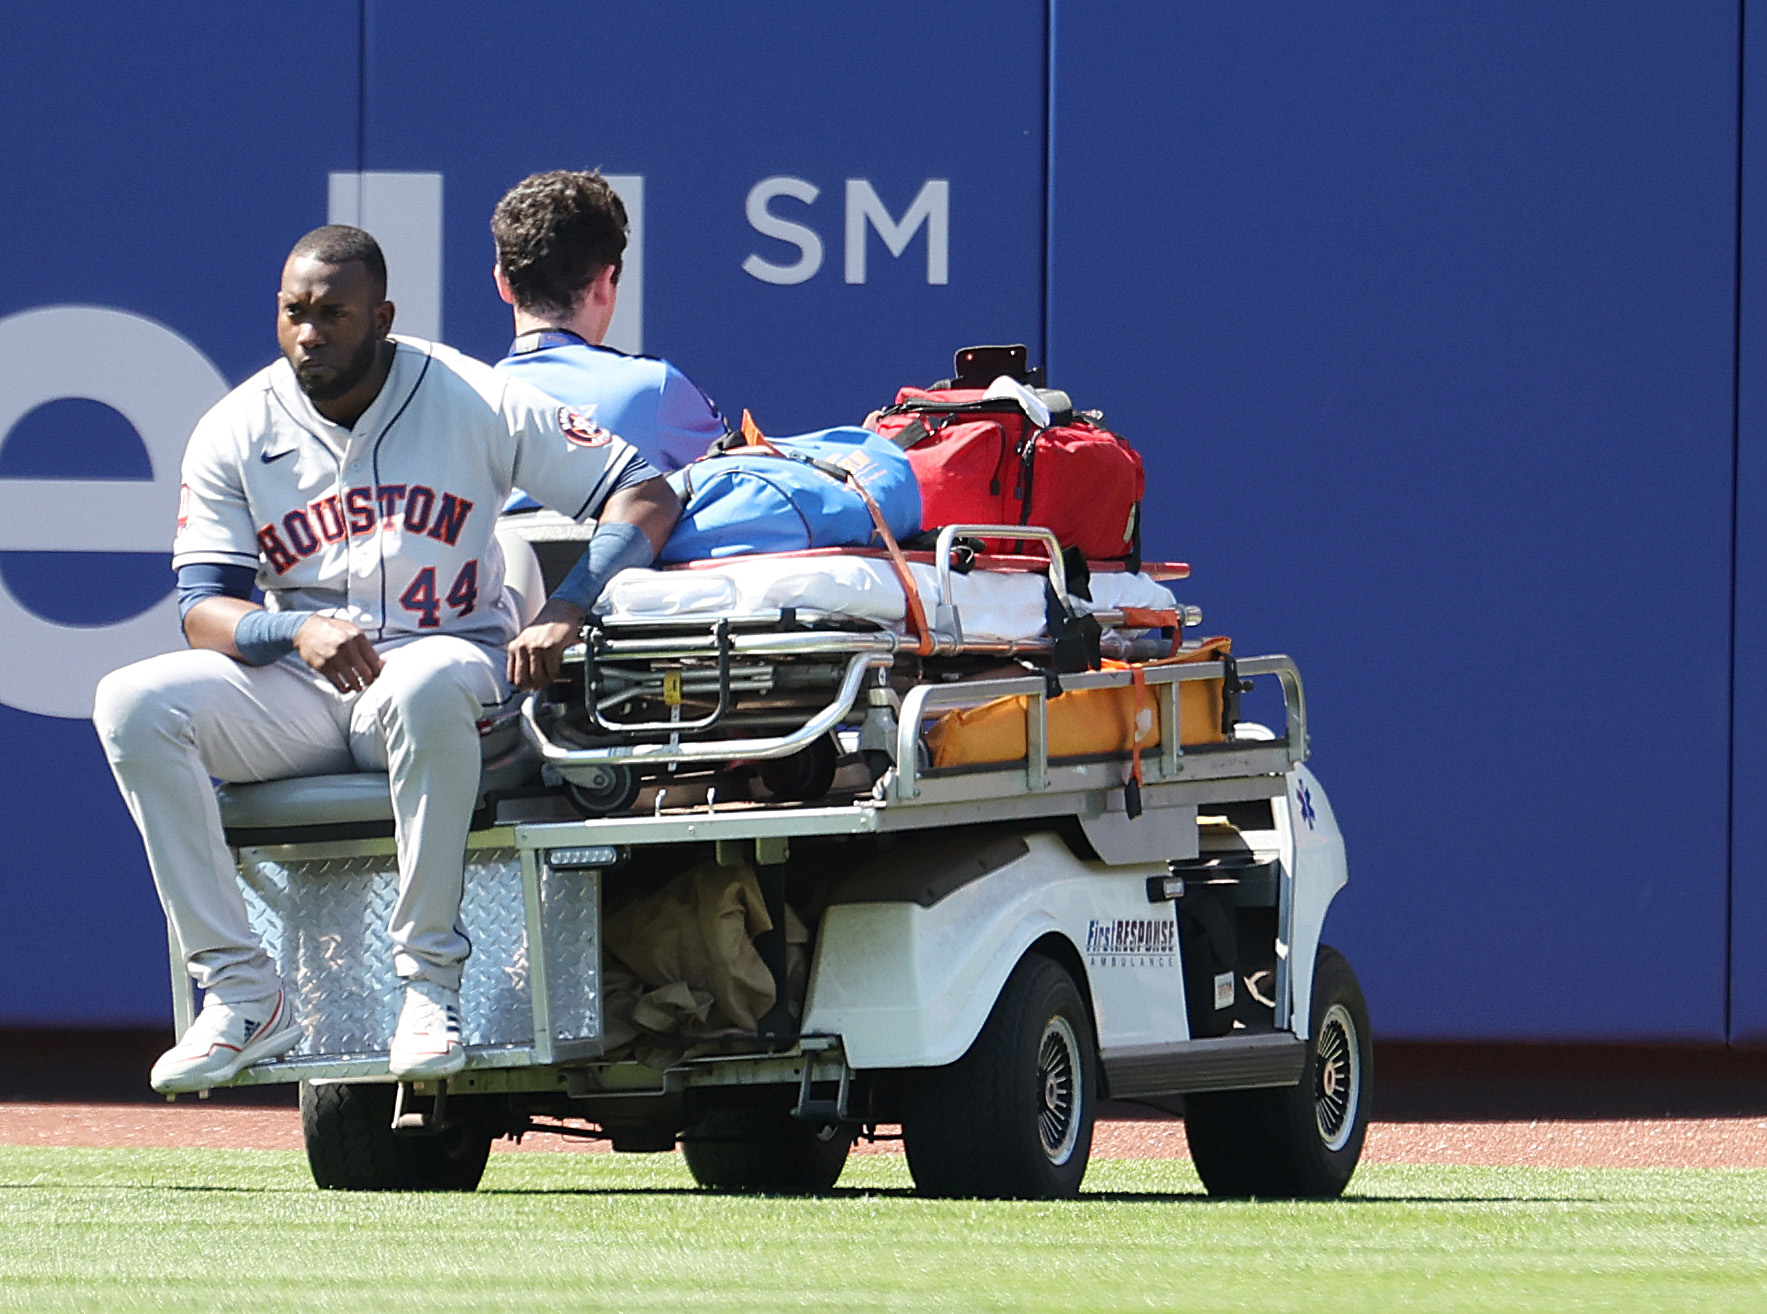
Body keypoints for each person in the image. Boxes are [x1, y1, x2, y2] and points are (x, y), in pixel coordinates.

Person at [92, 225, 679, 1092]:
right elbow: (202, 611)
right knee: (132, 702)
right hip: (303, 687)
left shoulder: (470, 394)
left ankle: (428, 985)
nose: (310, 333)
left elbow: (646, 490)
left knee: (426, 679)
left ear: (383, 317)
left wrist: (563, 609)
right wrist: (289, 631)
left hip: (446, 666)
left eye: (334, 314)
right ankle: (243, 994)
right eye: (295, 312)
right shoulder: (236, 424)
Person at [490, 170, 727, 478]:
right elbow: (744, 491)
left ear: (502, 284)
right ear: (604, 283)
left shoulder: (453, 408)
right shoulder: (654, 390)